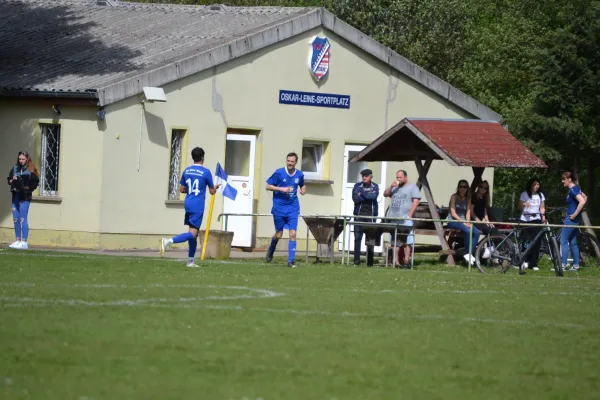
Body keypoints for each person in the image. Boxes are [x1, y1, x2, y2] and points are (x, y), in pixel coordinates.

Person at [160, 147, 219, 267]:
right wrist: (215, 188)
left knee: (193, 233)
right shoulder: (206, 172)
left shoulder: (187, 170)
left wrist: (191, 190)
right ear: (203, 157)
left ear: (193, 157)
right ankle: (168, 241)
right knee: (193, 233)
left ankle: (191, 261)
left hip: (188, 203)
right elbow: (212, 192)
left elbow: (181, 189)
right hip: (198, 205)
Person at [265, 152, 306, 268]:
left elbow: (302, 185)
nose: (290, 163)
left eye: (292, 161)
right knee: (279, 234)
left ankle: (291, 261)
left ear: (295, 162)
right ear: (286, 161)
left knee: (293, 233)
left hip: (293, 208)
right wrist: (281, 189)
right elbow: (267, 186)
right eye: (288, 161)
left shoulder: (299, 174)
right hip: (279, 207)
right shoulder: (279, 173)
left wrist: (303, 190)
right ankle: (271, 250)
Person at [383, 170, 420, 269]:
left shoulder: (412, 187)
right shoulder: (395, 187)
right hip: (394, 217)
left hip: (405, 218)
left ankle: (406, 261)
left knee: (407, 240)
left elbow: (416, 201)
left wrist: (409, 215)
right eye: (397, 177)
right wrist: (391, 186)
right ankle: (396, 261)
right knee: (395, 240)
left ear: (405, 177)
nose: (398, 179)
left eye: (400, 177)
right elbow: (385, 194)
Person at [6, 151, 39, 250]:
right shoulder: (15, 168)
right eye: (20, 159)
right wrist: (12, 181)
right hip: (16, 195)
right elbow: (9, 179)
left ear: (27, 159)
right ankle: (18, 240)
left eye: (23, 159)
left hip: (25, 197)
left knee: (22, 219)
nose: (21, 161)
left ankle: (24, 242)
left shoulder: (31, 169)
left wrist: (26, 188)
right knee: (15, 218)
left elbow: (35, 183)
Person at [446, 179, 480, 264]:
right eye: (461, 186)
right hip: (453, 220)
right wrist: (463, 222)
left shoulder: (468, 198)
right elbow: (453, 213)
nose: (463, 188)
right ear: (458, 187)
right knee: (468, 231)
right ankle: (467, 253)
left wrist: (468, 221)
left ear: (467, 188)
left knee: (477, 232)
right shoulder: (454, 197)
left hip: (463, 220)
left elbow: (468, 212)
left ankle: (469, 253)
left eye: (465, 187)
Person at [351, 168, 380, 267]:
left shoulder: (375, 186)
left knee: (370, 239)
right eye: (363, 175)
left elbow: (373, 197)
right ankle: (356, 261)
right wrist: (366, 195)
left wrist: (362, 194)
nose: (364, 177)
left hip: (371, 216)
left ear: (371, 176)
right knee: (357, 238)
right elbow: (355, 198)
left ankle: (370, 262)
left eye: (366, 176)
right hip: (359, 215)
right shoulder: (357, 186)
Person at [560, 171, 587, 271]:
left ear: (569, 179)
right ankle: (576, 265)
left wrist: (575, 214)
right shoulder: (576, 188)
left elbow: (582, 201)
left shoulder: (572, 190)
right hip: (576, 219)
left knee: (563, 241)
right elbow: (585, 197)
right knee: (573, 242)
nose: (562, 181)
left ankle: (563, 265)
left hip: (571, 219)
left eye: (564, 179)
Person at [518, 178, 546, 271]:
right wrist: (524, 204)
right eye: (534, 184)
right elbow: (519, 206)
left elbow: (542, 208)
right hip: (525, 219)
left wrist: (543, 216)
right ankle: (524, 260)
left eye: (538, 184)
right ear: (531, 185)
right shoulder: (524, 194)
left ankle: (533, 263)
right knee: (527, 241)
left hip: (536, 219)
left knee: (537, 241)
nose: (536, 186)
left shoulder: (540, 195)